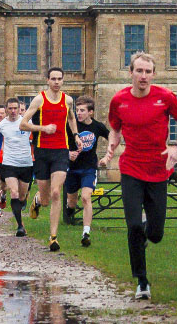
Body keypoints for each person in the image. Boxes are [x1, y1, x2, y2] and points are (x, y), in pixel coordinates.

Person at [100, 52, 177, 300]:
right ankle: (142, 281)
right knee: (133, 227)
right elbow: (115, 128)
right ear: (130, 72)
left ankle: (146, 230)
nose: (143, 76)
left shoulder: (164, 97)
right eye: (139, 71)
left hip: (159, 170)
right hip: (131, 169)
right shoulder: (119, 100)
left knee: (156, 234)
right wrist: (112, 144)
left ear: (153, 74)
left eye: (147, 72)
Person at [20, 67, 83, 252]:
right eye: (53, 79)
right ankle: (38, 200)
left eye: (59, 79)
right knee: (47, 198)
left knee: (57, 192)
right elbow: (23, 124)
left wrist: (76, 135)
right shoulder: (39, 99)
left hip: (61, 151)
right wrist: (43, 128)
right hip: (42, 152)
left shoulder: (68, 100)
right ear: (47, 80)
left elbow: (71, 119)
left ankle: (53, 237)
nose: (56, 82)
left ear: (63, 81)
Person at [65, 95, 109, 247]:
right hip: (72, 168)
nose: (79, 113)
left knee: (85, 197)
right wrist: (67, 154)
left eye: (82, 110)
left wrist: (106, 158)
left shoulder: (98, 127)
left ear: (91, 112)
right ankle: (69, 211)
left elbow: (113, 140)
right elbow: (59, 142)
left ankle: (86, 232)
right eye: (77, 110)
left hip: (89, 168)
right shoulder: (70, 125)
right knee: (71, 202)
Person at [0, 98, 34, 236]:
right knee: (14, 193)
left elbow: (36, 137)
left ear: (19, 109)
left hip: (26, 163)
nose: (13, 111)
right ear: (6, 109)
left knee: (21, 197)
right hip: (9, 163)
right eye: (10, 108)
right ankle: (20, 226)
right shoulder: (2, 125)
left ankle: (23, 203)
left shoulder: (26, 122)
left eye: (15, 108)